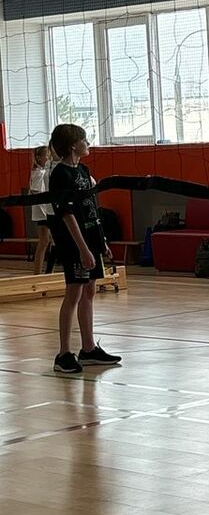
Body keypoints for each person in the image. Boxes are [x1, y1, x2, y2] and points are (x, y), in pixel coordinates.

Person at [47, 124, 121, 376]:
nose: (88, 143)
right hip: (74, 243)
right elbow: (67, 215)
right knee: (74, 293)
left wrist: (101, 242)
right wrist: (82, 248)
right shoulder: (60, 174)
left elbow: (91, 208)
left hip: (91, 240)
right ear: (72, 146)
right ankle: (63, 354)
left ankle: (88, 349)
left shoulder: (84, 170)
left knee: (89, 291)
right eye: (84, 139)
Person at [28, 144, 54, 274]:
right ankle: (39, 273)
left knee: (46, 241)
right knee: (45, 241)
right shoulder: (38, 173)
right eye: (47, 155)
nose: (49, 158)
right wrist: (46, 211)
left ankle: (43, 272)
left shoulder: (44, 171)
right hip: (43, 211)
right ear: (39, 158)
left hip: (46, 210)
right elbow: (35, 192)